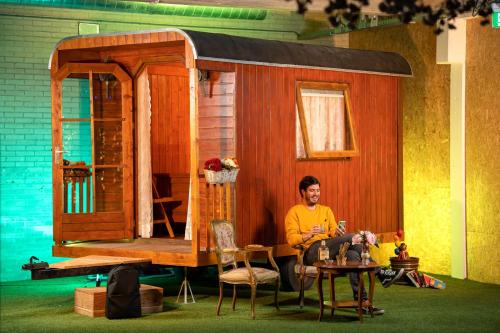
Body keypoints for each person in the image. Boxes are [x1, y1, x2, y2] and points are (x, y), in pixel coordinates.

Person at [285, 175, 404, 315]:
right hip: (312, 251)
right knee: (354, 237)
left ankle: (362, 303)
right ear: (303, 192)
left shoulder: (326, 210)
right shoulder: (294, 212)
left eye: (317, 190)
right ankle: (381, 272)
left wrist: (338, 232)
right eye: (311, 190)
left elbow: (335, 235)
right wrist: (309, 234)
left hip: (331, 248)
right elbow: (291, 240)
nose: (315, 194)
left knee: (353, 255)